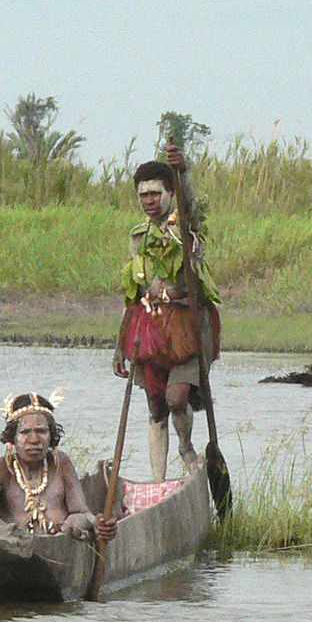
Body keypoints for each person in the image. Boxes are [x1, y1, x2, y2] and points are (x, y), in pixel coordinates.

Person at [112, 145, 220, 481]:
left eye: (156, 193)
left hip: (186, 327)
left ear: (170, 193)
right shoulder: (139, 236)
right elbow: (134, 293)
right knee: (156, 405)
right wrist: (119, 345)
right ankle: (157, 481)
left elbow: (190, 209)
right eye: (143, 194)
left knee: (176, 398)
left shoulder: (185, 228)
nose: (150, 200)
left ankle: (186, 448)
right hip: (150, 325)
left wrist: (182, 172)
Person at [0, 393, 116, 541]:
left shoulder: (60, 463)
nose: (34, 439)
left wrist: (95, 524)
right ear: (12, 437)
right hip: (15, 547)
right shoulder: (1, 468)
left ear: (51, 435)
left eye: (41, 431)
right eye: (25, 432)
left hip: (58, 546)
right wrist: (4, 530)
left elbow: (82, 512)